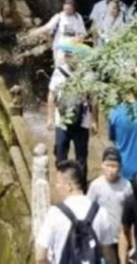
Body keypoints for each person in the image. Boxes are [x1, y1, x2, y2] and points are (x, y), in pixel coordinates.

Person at [36, 161, 112, 264]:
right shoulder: (101, 212)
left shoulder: (55, 214)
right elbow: (108, 254)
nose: (56, 187)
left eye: (58, 183)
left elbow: (40, 256)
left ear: (68, 186)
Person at [47, 41, 95, 180]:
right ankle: (62, 181)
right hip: (61, 120)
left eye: (71, 55)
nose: (68, 57)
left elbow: (93, 99)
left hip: (83, 121)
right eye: (67, 55)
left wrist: (94, 121)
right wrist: (50, 118)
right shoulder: (59, 72)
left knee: (81, 156)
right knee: (61, 153)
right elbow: (52, 95)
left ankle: (81, 185)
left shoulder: (89, 75)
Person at [87, 148, 133, 264]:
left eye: (114, 166)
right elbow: (89, 211)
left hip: (123, 236)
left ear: (120, 167)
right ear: (102, 165)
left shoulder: (126, 185)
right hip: (104, 238)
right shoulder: (96, 186)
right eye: (108, 165)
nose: (111, 170)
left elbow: (132, 211)